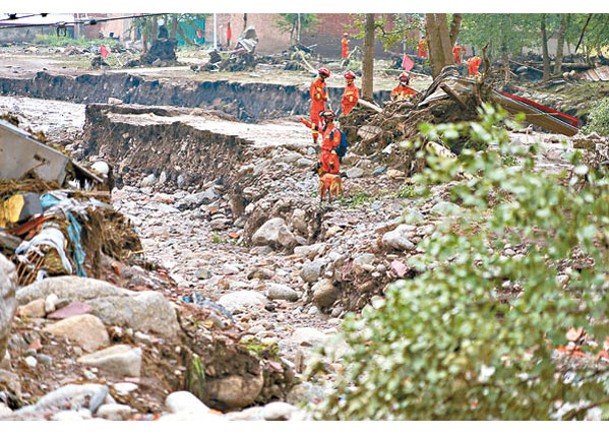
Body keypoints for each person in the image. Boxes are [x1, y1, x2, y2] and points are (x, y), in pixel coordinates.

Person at [308, 67, 330, 144]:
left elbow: (325, 94)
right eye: (323, 75)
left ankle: (325, 140)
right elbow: (314, 96)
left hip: (322, 106)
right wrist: (322, 97)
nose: (324, 77)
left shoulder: (324, 84)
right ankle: (315, 139)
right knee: (315, 124)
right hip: (315, 106)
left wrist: (326, 98)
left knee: (325, 123)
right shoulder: (314, 83)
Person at [319, 110, 341, 175]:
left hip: (330, 154)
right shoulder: (325, 129)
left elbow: (336, 145)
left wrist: (332, 158)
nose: (324, 120)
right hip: (324, 153)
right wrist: (305, 122)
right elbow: (316, 128)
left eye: (325, 118)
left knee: (333, 172)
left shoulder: (334, 131)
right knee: (323, 172)